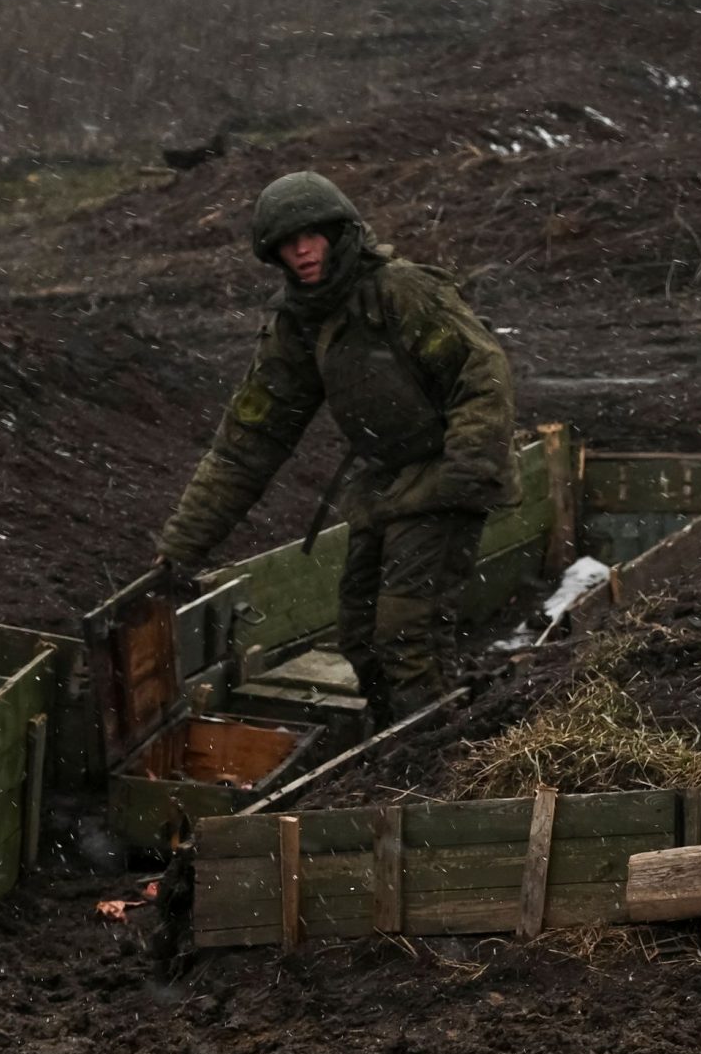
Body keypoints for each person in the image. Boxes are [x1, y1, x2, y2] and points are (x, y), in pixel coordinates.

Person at [154, 172, 516, 723]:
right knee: (360, 633)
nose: (300, 251)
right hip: (384, 484)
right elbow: (247, 443)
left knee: (406, 635)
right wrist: (181, 551)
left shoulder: (402, 292)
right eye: (285, 243)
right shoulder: (298, 326)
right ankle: (395, 740)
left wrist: (464, 475)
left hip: (443, 474)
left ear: (340, 232)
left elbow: (481, 372)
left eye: (311, 235)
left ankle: (440, 757)